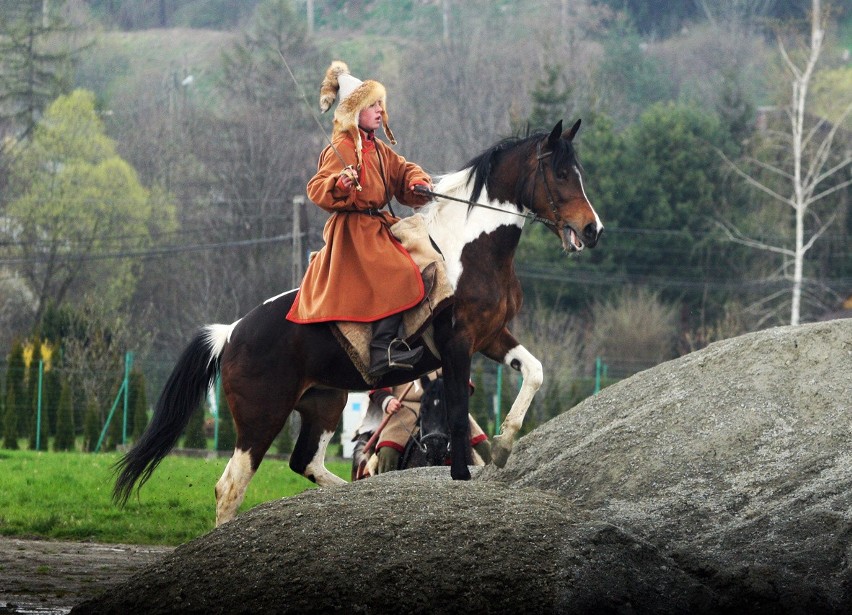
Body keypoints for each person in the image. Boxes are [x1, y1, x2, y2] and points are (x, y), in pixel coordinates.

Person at [286, 60, 434, 378]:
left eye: (381, 104)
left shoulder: (378, 149)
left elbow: (403, 169)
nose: (380, 110)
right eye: (373, 105)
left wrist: (417, 182)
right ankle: (382, 349)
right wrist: (339, 184)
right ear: (356, 112)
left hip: (377, 226)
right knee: (399, 271)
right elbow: (316, 188)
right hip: (354, 232)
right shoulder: (341, 147)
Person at [352, 370, 492, 477]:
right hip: (404, 407)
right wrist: (387, 401)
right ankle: (384, 490)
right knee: (388, 451)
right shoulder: (395, 349)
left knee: (483, 446)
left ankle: (496, 484)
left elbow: (463, 382)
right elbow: (379, 386)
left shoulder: (441, 346)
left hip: (443, 405)